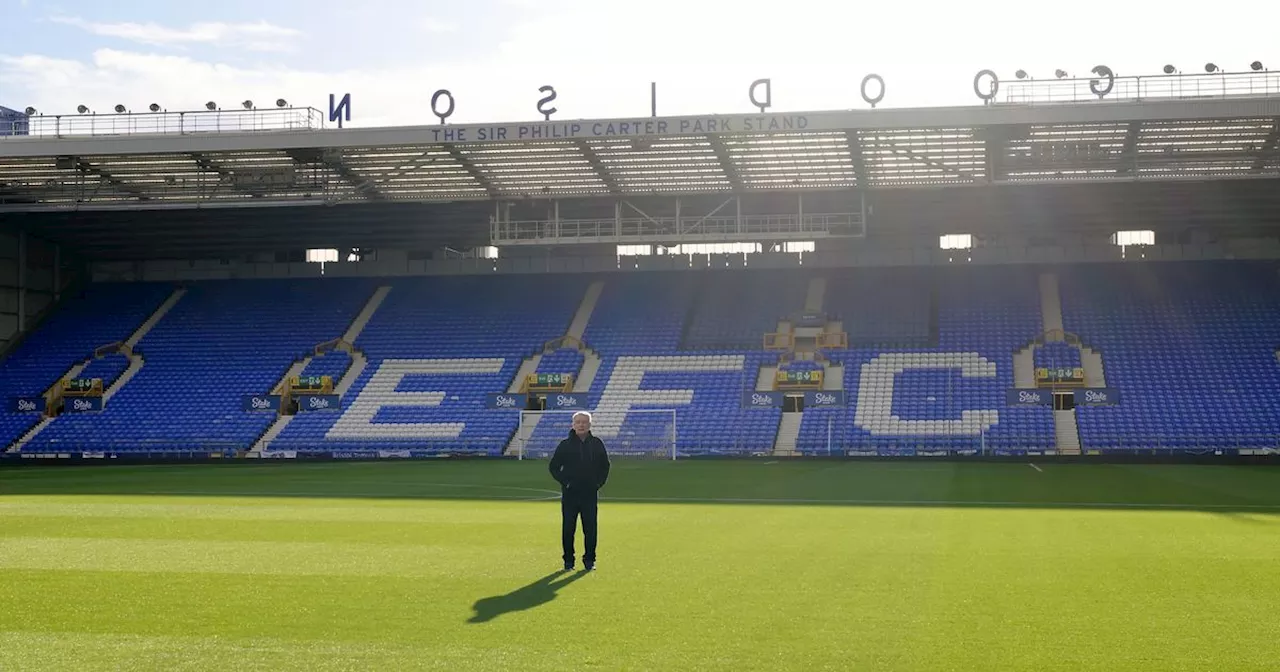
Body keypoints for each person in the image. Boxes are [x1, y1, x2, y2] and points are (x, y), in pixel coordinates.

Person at [548, 411, 611, 571]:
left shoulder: (597, 443)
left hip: (589, 494)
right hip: (570, 495)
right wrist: (566, 482)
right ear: (573, 425)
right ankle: (568, 561)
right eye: (578, 422)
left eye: (584, 422)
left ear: (590, 425)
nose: (581, 425)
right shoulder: (565, 444)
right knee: (568, 528)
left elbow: (605, 466)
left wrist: (598, 483)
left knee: (590, 528)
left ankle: (590, 560)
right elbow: (554, 467)